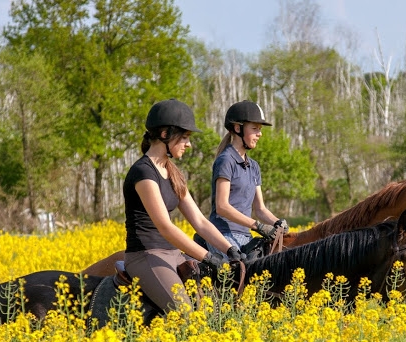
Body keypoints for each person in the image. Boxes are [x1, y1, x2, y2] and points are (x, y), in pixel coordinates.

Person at [124, 99, 245, 313]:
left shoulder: (174, 173)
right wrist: (208, 257)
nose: (189, 144)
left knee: (211, 306)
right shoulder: (143, 172)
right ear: (164, 134)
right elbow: (165, 227)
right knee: (187, 314)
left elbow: (199, 221)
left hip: (173, 253)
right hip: (146, 255)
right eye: (185, 137)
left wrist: (229, 250)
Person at [207, 100, 289, 259]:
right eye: (255, 129)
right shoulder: (226, 160)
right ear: (238, 128)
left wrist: (277, 223)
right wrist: (257, 225)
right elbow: (222, 206)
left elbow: (260, 209)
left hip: (245, 235)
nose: (260, 133)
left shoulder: (254, 166)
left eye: (260, 129)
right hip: (222, 234)